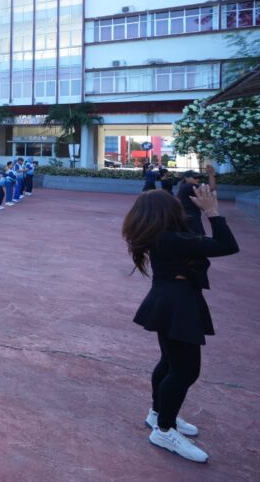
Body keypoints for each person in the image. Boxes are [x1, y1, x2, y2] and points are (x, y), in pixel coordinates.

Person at [122, 185, 239, 463]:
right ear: (168, 211)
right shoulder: (171, 239)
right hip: (177, 305)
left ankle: (158, 414)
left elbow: (195, 236)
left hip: (170, 301)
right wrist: (213, 213)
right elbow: (227, 246)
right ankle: (164, 430)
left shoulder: (163, 235)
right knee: (185, 371)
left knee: (170, 363)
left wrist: (200, 211)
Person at [177, 166, 216, 236]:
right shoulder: (189, 186)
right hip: (191, 217)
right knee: (198, 236)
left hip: (187, 215)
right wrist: (211, 174)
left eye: (199, 178)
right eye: (194, 178)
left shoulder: (184, 185)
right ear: (186, 178)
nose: (198, 179)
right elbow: (211, 188)